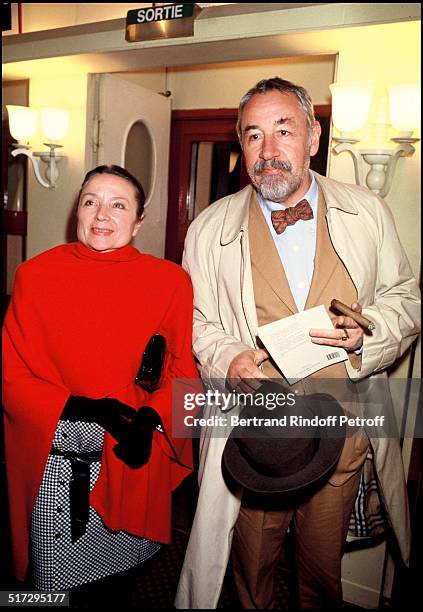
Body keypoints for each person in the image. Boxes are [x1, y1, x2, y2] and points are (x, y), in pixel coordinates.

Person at [175, 77, 421, 609]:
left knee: (320, 578)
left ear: (313, 136)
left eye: (284, 131)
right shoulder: (207, 228)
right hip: (256, 442)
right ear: (240, 148)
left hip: (344, 434)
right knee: (251, 574)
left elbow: (406, 299)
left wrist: (367, 334)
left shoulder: (369, 212)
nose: (269, 151)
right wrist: (225, 357)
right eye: (254, 136)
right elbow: (192, 319)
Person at [2, 165, 198, 590]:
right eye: (90, 202)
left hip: (134, 459)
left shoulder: (171, 282)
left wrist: (151, 421)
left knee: (124, 585)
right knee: (51, 590)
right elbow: (11, 376)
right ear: (78, 211)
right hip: (58, 466)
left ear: (139, 220)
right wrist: (89, 409)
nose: (101, 216)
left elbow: (185, 376)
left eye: (118, 205)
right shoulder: (33, 277)